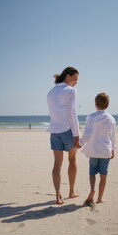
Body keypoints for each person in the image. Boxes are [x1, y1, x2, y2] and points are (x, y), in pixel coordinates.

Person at [47, 66, 81, 205]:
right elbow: (72, 113)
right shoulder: (70, 91)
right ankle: (71, 191)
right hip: (67, 130)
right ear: (68, 76)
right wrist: (77, 133)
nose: (76, 82)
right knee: (72, 159)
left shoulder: (50, 92)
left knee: (57, 164)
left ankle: (57, 196)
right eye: (75, 79)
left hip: (54, 130)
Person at [78, 93, 117, 207]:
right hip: (105, 150)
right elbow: (113, 136)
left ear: (95, 104)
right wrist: (113, 149)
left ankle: (92, 189)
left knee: (92, 173)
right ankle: (100, 198)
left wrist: (80, 142)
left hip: (94, 150)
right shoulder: (111, 118)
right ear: (107, 105)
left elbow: (88, 134)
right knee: (103, 175)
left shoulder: (91, 117)